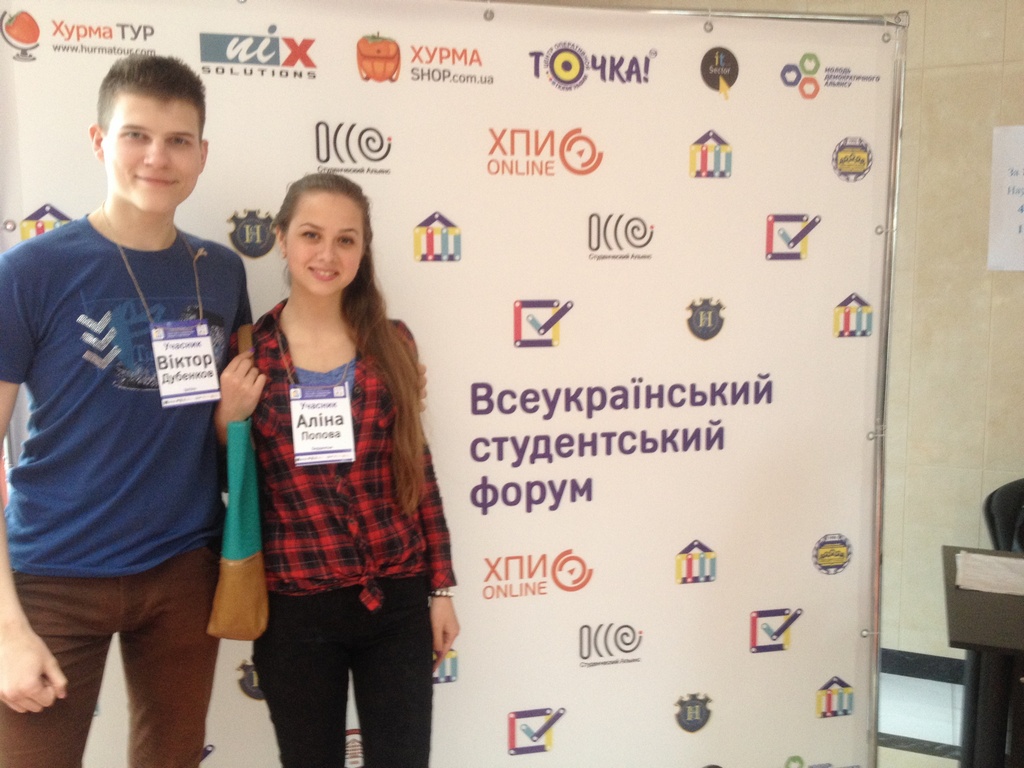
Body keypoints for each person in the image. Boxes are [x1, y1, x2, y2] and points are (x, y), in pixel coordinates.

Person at [0, 55, 251, 767]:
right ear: (99, 140)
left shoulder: (221, 271)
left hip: (182, 572)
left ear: (202, 153)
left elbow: (233, 416)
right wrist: (6, 629)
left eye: (178, 140)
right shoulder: (30, 272)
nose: (156, 157)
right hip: (53, 574)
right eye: (136, 134)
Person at [216, 172, 458, 768]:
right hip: (295, 608)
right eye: (311, 235)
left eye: (346, 239)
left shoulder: (393, 343)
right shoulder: (250, 355)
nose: (327, 254)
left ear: (363, 249)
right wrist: (227, 421)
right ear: (280, 239)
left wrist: (440, 589)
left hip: (396, 600)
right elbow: (229, 485)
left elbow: (418, 471)